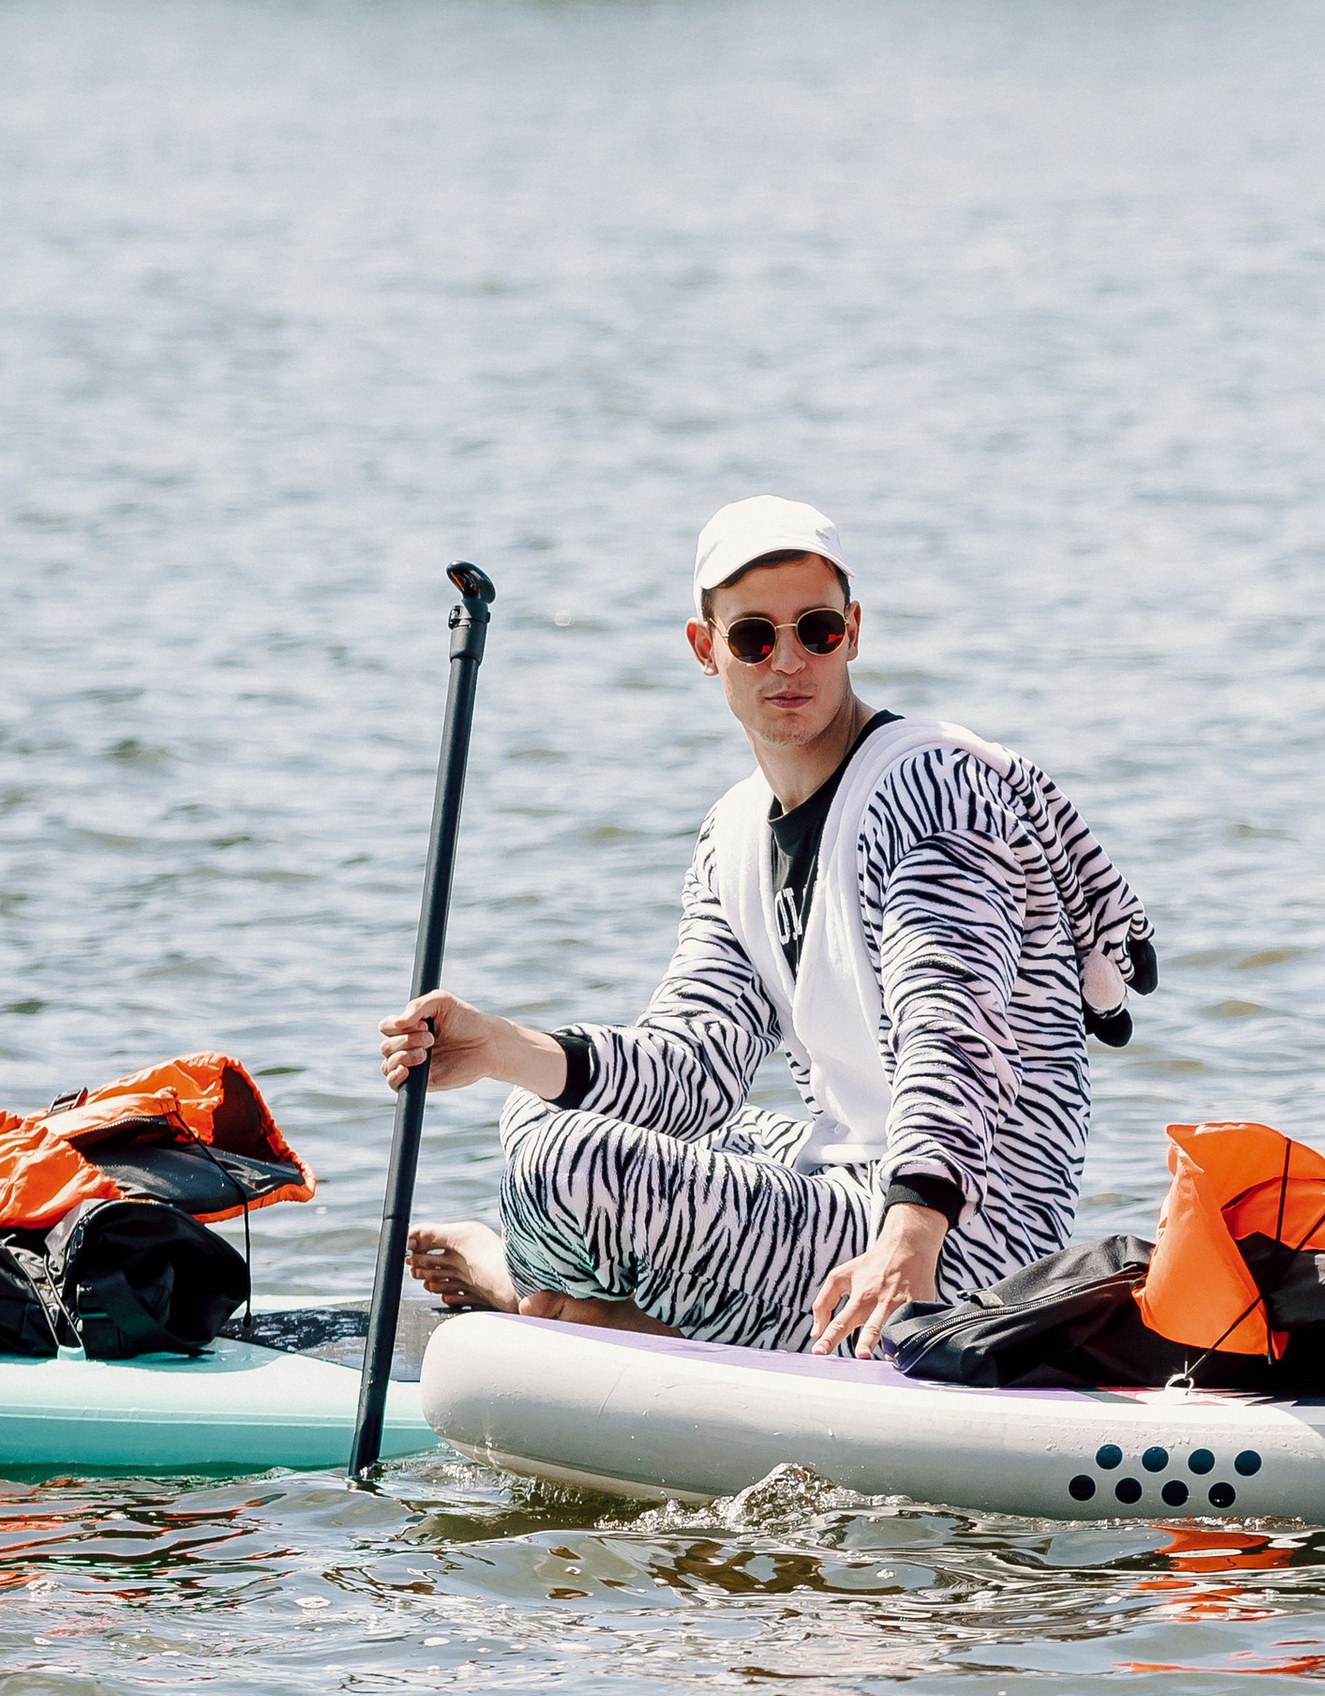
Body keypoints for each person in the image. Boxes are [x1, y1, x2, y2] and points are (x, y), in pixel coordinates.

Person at [384, 496, 1153, 1356]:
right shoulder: (733, 833)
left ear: (854, 631)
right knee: (537, 1118)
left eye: (815, 630)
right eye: (754, 637)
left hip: (964, 1232)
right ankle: (592, 1312)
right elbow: (694, 1066)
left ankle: (554, 1302)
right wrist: (499, 1048)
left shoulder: (931, 789)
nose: (788, 661)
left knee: (564, 1168)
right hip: (845, 1173)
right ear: (705, 649)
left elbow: (953, 1024)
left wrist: (908, 1240)